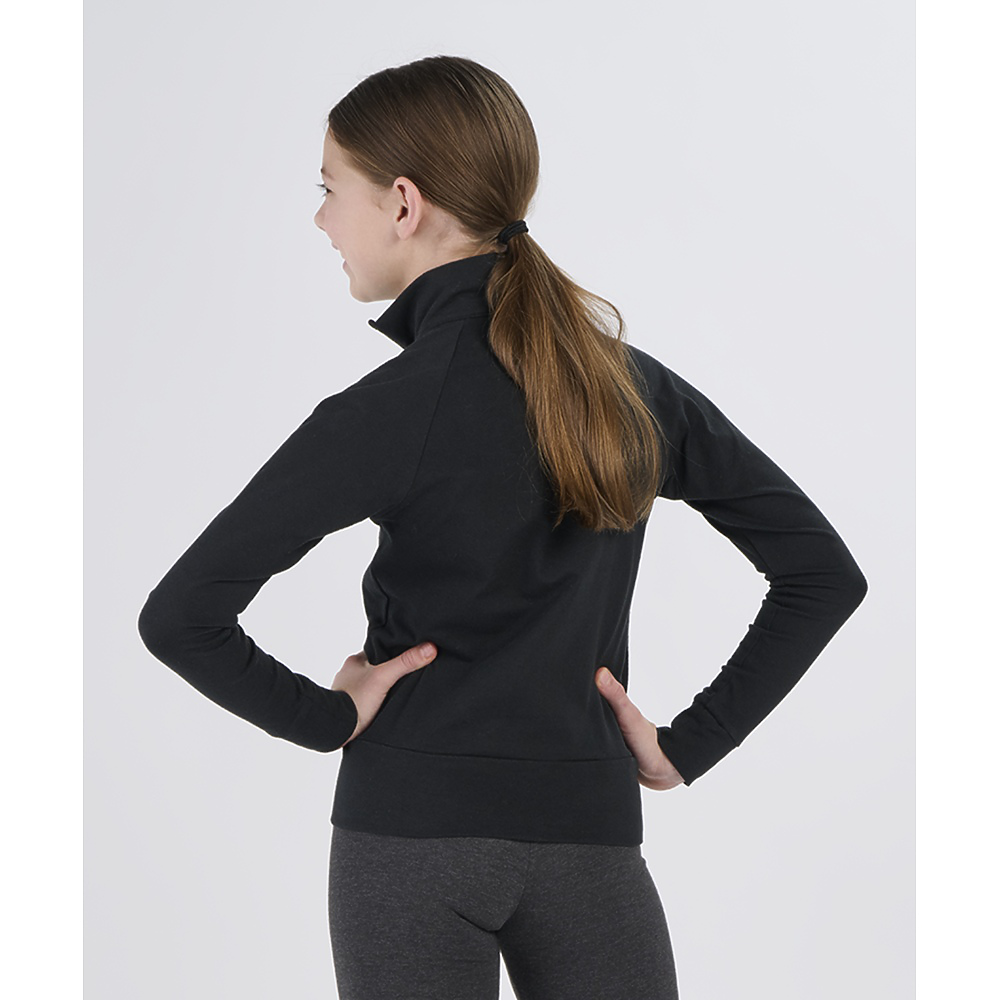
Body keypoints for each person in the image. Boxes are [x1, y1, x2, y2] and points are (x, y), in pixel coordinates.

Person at [137, 54, 868, 1000]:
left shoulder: (392, 408)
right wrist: (689, 745)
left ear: (404, 204)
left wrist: (330, 717)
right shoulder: (630, 388)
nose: (321, 221)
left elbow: (181, 617)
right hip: (589, 840)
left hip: (408, 842)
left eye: (328, 191)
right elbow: (823, 573)